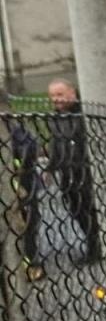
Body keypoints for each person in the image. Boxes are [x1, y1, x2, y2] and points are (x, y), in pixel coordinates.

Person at [45, 79, 99, 264]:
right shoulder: (55, 119)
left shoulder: (83, 114)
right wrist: (51, 168)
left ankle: (97, 247)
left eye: (59, 94)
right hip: (68, 174)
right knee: (77, 211)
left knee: (90, 209)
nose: (56, 100)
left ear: (72, 93)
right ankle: (92, 246)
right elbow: (55, 144)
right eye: (52, 96)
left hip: (85, 171)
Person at [2, 92, 43, 282]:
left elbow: (29, 148)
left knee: (27, 226)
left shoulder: (12, 128)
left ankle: (30, 265)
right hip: (14, 186)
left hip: (23, 185)